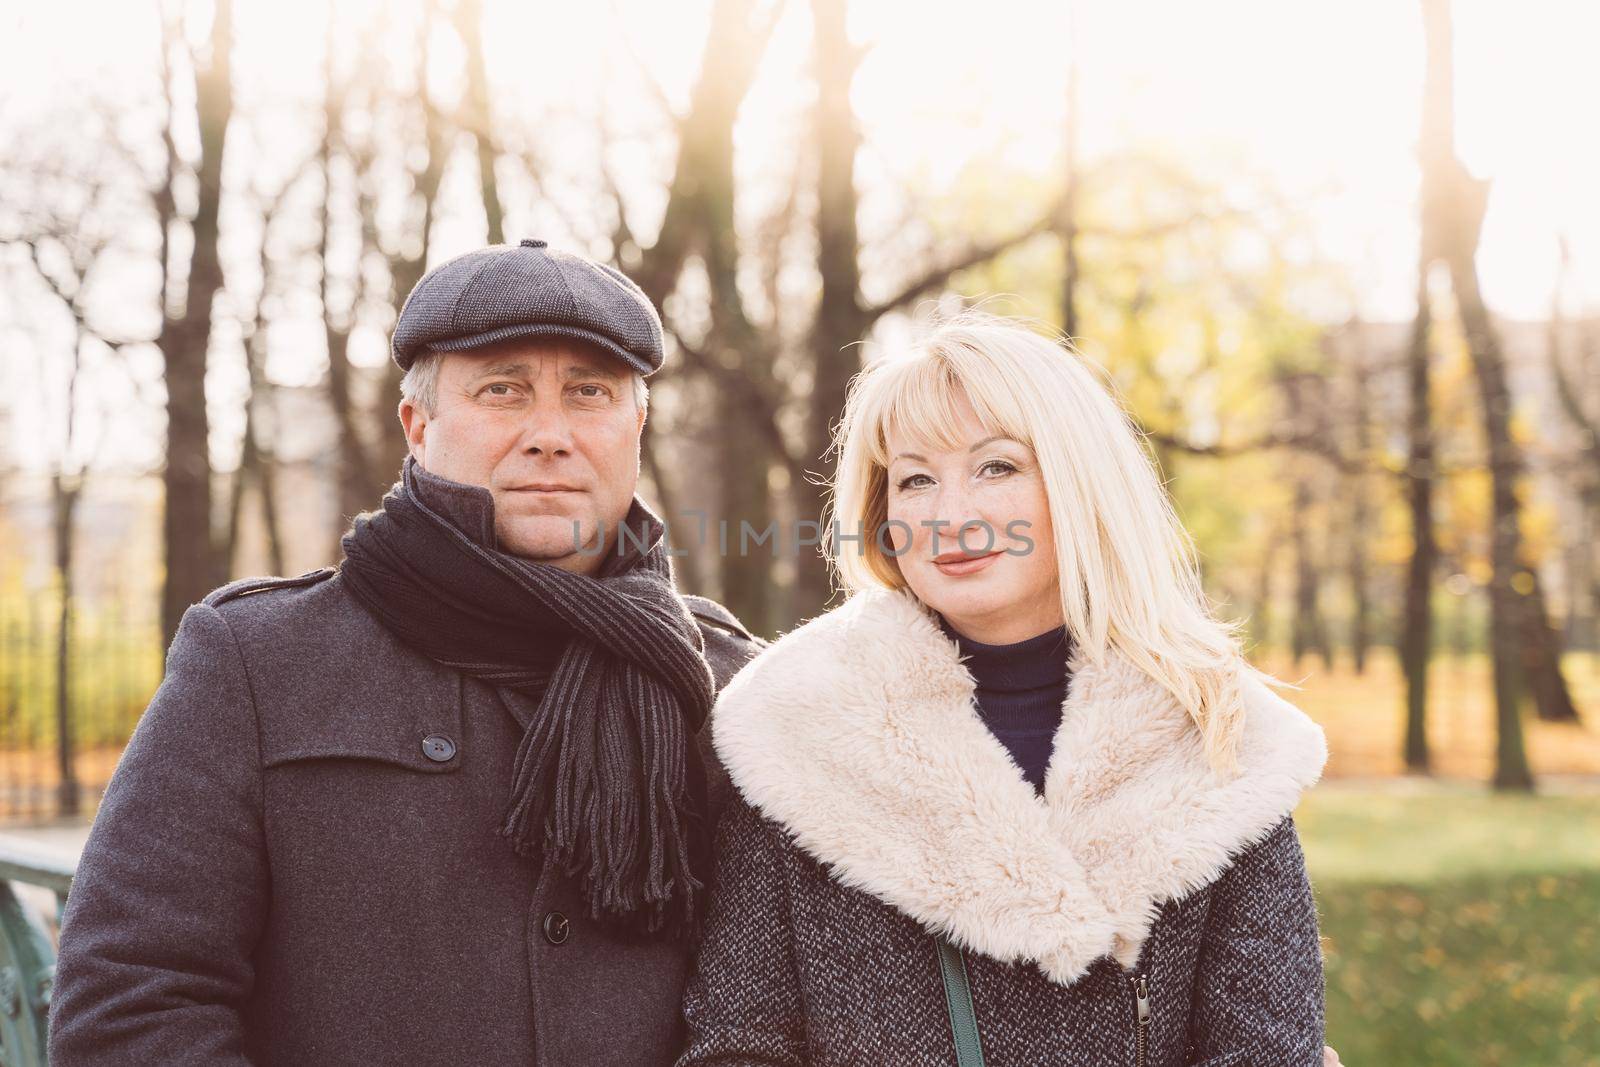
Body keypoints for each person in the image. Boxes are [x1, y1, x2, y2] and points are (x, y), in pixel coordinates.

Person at [49, 239, 764, 1066]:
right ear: (417, 424)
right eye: (503, 390)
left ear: (636, 425)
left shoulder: (731, 686)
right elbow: (131, 998)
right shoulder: (257, 663)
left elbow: (781, 1013)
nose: (550, 433)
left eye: (589, 392)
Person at [677, 311, 1334, 1066]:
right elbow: (740, 1042)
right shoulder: (796, 727)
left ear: (1079, 482)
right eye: (916, 478)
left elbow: (1266, 1051)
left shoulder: (1215, 730)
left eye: (997, 467)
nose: (952, 514)